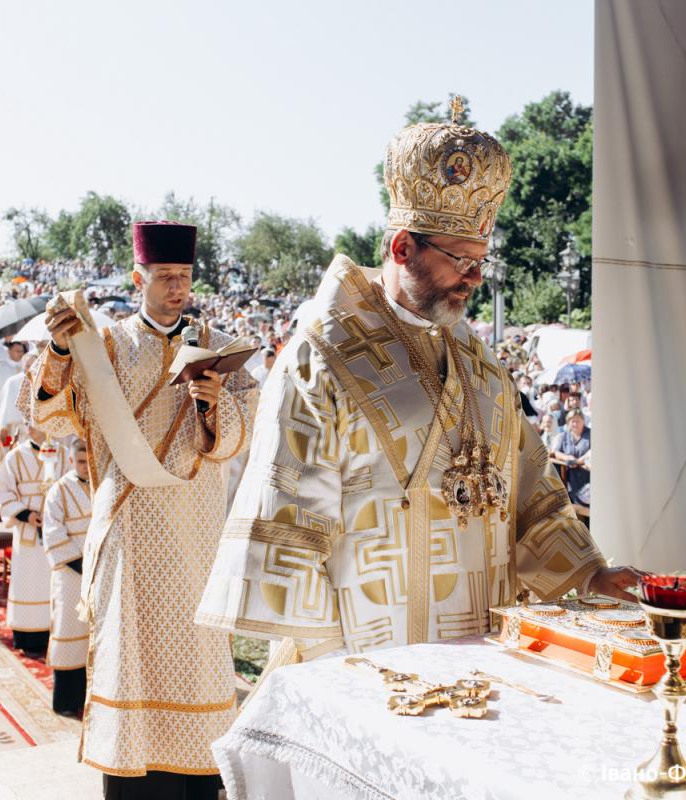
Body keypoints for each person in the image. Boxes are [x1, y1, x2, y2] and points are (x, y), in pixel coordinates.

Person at [196, 108, 640, 666]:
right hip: (372, 654)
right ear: (402, 247)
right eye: (461, 259)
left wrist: (590, 572)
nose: (475, 278)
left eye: (482, 261)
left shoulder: (480, 363)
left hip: (486, 648)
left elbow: (529, 485)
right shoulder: (321, 360)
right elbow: (291, 524)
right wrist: (335, 674)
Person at [34, 221, 258, 797]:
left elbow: (243, 435)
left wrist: (215, 408)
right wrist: (58, 349)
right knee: (128, 656)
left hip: (196, 537)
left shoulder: (218, 347)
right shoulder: (105, 347)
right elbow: (50, 419)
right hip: (130, 531)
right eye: (164, 277)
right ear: (139, 279)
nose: (177, 287)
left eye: (184, 276)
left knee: (198, 659)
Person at [0, 424, 66, 655]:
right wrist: (26, 514)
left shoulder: (64, 454)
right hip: (27, 529)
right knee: (27, 584)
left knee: (52, 585)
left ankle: (54, 633)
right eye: (27, 421)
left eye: (34, 421)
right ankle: (26, 637)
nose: (29, 426)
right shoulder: (15, 456)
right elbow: (3, 491)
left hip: (56, 530)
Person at [42, 438, 92, 715]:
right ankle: (65, 702)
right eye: (81, 461)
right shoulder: (58, 491)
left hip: (98, 573)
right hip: (71, 573)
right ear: (71, 461)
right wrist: (83, 566)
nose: (86, 466)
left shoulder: (102, 486)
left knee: (94, 637)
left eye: (89, 461)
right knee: (69, 630)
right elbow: (52, 533)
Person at [0, 341, 28, 474]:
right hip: (5, 415)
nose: (20, 354)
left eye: (22, 351)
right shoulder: (0, 367)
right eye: (17, 351)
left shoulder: (26, 369)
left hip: (22, 418)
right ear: (9, 351)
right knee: (6, 447)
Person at [552, 410, 591, 505]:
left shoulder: (591, 434)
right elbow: (556, 452)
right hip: (569, 475)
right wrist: (567, 458)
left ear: (583, 421)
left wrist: (577, 461)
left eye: (578, 421)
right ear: (568, 423)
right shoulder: (563, 436)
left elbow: (592, 452)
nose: (575, 424)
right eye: (572, 421)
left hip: (587, 473)